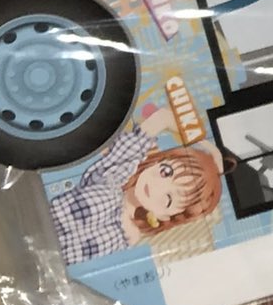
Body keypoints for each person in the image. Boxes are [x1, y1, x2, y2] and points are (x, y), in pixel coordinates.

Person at [49, 98, 229, 265]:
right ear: (158, 162)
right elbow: (163, 118)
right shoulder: (117, 173)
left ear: (165, 216)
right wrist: (206, 144)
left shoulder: (123, 236)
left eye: (168, 198)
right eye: (166, 172)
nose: (157, 186)